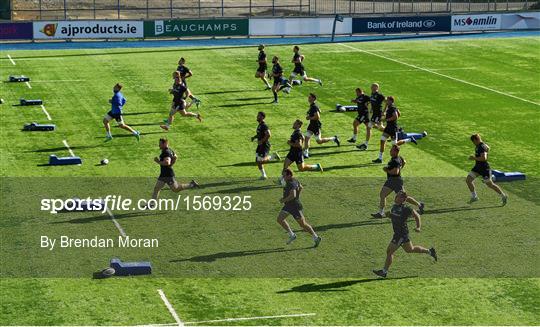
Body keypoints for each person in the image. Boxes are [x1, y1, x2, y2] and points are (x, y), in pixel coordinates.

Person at [372, 191, 437, 278]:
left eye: (399, 197)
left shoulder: (406, 208)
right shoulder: (394, 207)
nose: (396, 198)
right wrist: (389, 215)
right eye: (396, 196)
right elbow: (395, 216)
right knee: (410, 249)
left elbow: (417, 216)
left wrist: (418, 227)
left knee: (389, 251)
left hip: (401, 235)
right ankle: (430, 251)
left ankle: (384, 271)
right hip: (398, 234)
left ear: (403, 199)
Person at [371, 145, 424, 218]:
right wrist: (400, 168)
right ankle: (381, 213)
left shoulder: (395, 161)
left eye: (391, 150)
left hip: (396, 181)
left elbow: (396, 172)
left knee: (404, 198)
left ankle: (419, 205)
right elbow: (404, 162)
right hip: (391, 180)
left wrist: (387, 170)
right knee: (382, 194)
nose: (390, 151)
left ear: (396, 152)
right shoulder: (399, 157)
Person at [277, 168, 322, 247]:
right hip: (288, 206)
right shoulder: (294, 180)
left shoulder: (291, 183)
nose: (283, 177)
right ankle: (292, 235)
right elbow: (301, 187)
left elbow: (293, 195)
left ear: (289, 175)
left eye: (284, 175)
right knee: (280, 219)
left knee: (303, 224)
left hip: (294, 207)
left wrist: (283, 200)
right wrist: (296, 196)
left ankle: (316, 237)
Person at [466, 133, 508, 205]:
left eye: (473, 141)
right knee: (468, 180)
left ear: (476, 140)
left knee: (490, 184)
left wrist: (474, 158)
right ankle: (474, 196)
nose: (473, 143)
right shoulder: (481, 145)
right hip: (477, 167)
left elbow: (484, 158)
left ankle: (503, 196)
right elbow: (488, 148)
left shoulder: (481, 147)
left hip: (484, 169)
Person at [372, 96, 416, 163]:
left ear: (391, 101)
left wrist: (387, 120)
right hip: (388, 127)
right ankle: (380, 158)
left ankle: (409, 140)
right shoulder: (390, 107)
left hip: (392, 128)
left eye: (387, 100)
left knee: (395, 146)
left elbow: (396, 116)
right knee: (382, 140)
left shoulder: (392, 108)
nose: (386, 101)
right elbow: (399, 114)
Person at [279, 119, 323, 185]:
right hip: (292, 152)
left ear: (298, 125)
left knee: (301, 168)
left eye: (295, 123)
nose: (293, 124)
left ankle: (316, 166)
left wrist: (290, 143)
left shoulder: (298, 134)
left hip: (297, 154)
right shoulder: (295, 132)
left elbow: (299, 145)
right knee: (285, 166)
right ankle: (282, 181)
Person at [303, 93, 340, 158]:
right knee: (306, 138)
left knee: (319, 141)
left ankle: (333, 138)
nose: (308, 98)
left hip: (316, 126)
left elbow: (318, 117)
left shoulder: (314, 106)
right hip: (311, 125)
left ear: (314, 99)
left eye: (310, 97)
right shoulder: (312, 106)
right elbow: (319, 111)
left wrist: (309, 118)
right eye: (308, 97)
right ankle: (306, 153)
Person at [251, 111, 280, 179]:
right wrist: (254, 137)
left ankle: (273, 156)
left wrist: (261, 141)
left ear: (262, 117)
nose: (257, 117)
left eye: (259, 116)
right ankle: (263, 175)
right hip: (260, 145)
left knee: (260, 161)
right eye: (257, 115)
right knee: (257, 160)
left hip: (264, 145)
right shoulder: (260, 125)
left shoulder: (264, 125)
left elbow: (269, 134)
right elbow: (259, 134)